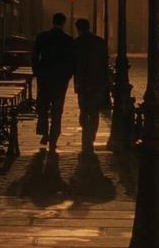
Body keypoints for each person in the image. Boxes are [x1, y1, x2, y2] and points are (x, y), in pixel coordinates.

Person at [32, 13, 75, 152]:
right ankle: (54, 135)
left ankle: (44, 132)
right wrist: (67, 76)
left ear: (52, 21)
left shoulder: (43, 37)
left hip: (44, 77)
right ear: (63, 23)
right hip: (60, 79)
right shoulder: (67, 40)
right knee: (57, 108)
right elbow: (71, 61)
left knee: (43, 106)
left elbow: (35, 55)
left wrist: (37, 71)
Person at [73, 18, 108, 154]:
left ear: (78, 29)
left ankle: (85, 131)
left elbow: (74, 63)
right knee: (94, 110)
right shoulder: (99, 42)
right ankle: (91, 135)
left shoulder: (77, 43)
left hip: (82, 82)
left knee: (84, 107)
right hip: (97, 81)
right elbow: (105, 62)